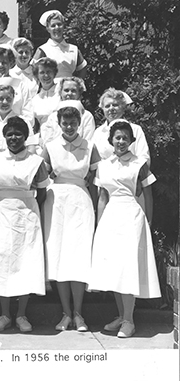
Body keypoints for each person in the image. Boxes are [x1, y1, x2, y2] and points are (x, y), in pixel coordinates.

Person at [88, 121, 160, 338]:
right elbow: (102, 197)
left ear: (131, 141)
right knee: (115, 270)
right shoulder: (104, 165)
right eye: (117, 138)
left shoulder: (139, 164)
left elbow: (148, 194)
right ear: (111, 140)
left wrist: (147, 221)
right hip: (111, 218)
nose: (121, 141)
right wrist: (99, 225)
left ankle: (129, 321)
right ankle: (121, 316)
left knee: (128, 269)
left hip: (132, 216)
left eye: (125, 138)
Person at [0, 116, 49, 333]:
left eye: (18, 134)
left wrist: (27, 208)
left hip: (27, 215)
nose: (13, 138)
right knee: (1, 261)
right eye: (9, 134)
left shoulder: (36, 162)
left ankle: (21, 315)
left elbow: (42, 192)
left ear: (26, 137)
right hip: (1, 213)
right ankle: (4, 314)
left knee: (25, 262)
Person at [42, 105, 100, 332]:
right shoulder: (51, 147)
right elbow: (40, 176)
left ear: (79, 124)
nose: (68, 127)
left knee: (78, 256)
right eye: (65, 123)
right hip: (56, 202)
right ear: (59, 123)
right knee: (58, 257)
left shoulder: (90, 147)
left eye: (72, 123)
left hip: (81, 202)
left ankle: (79, 314)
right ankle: (66, 314)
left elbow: (95, 182)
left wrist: (96, 209)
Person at [92, 88, 150, 162]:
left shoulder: (135, 129)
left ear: (123, 107)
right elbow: (94, 160)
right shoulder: (98, 132)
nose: (111, 108)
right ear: (103, 109)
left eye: (115, 105)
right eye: (107, 106)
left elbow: (144, 157)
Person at [0, 46, 32, 120]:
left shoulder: (20, 86)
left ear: (10, 63)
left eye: (4, 63)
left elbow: (28, 113)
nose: (1, 66)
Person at [0, 85, 38, 153]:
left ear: (13, 98)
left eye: (8, 99)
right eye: (1, 98)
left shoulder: (23, 121)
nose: (5, 102)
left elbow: (31, 147)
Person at [34, 10, 87, 81]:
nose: (57, 28)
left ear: (63, 26)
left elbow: (83, 68)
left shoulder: (74, 49)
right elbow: (33, 70)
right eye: (53, 26)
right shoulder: (43, 49)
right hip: (51, 89)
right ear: (48, 29)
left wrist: (77, 84)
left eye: (59, 24)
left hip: (69, 89)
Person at [41, 77, 95, 147]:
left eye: (73, 91)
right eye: (66, 90)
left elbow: (88, 141)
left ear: (79, 93)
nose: (69, 93)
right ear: (60, 92)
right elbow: (48, 142)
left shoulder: (87, 116)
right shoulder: (53, 117)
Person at [29, 57, 61, 128]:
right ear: (37, 75)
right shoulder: (34, 100)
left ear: (54, 73)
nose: (46, 75)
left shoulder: (61, 94)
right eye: (42, 72)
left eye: (49, 72)